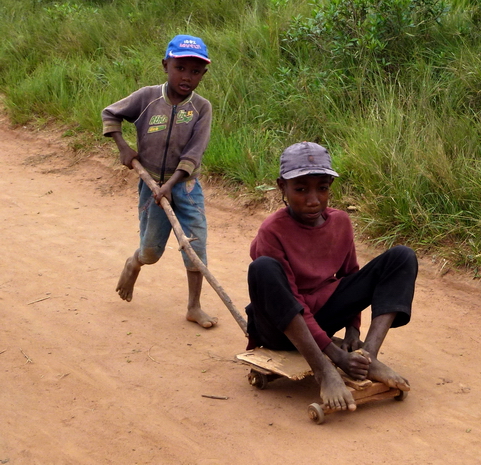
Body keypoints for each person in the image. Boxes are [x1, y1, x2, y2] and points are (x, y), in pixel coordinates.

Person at [246, 141, 418, 411]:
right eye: (300, 190)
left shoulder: (340, 222)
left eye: (322, 189)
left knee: (401, 257)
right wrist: (334, 359)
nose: (313, 199)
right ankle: (323, 372)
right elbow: (290, 300)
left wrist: (353, 330)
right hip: (280, 328)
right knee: (263, 267)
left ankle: (368, 358)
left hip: (322, 317)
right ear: (282, 187)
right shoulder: (272, 231)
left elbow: (350, 276)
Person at [101, 34, 217, 329]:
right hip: (151, 184)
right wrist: (124, 148)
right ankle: (135, 262)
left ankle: (194, 306)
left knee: (196, 246)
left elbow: (195, 151)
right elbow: (111, 114)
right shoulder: (146, 98)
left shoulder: (201, 108)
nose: (186, 77)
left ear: (203, 74)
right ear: (166, 65)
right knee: (152, 250)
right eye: (180, 68)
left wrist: (173, 182)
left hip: (186, 186)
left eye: (195, 71)